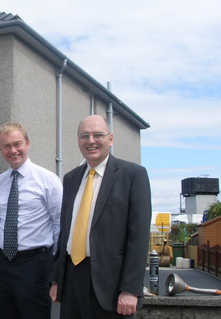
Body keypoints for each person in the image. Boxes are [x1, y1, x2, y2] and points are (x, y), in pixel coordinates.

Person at [50, 115, 152, 318]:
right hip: (71, 280)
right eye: (84, 136)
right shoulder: (70, 178)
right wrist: (56, 279)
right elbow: (65, 233)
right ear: (78, 140)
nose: (91, 141)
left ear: (110, 139)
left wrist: (130, 289)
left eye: (98, 135)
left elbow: (138, 237)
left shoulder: (133, 176)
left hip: (111, 287)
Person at [0, 122, 62, 319]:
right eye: (6, 146)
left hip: (35, 264)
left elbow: (59, 225)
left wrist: (52, 265)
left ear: (27, 143)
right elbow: (1, 219)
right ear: (0, 149)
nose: (13, 150)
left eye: (17, 144)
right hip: (3, 264)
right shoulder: (0, 182)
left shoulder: (48, 180)